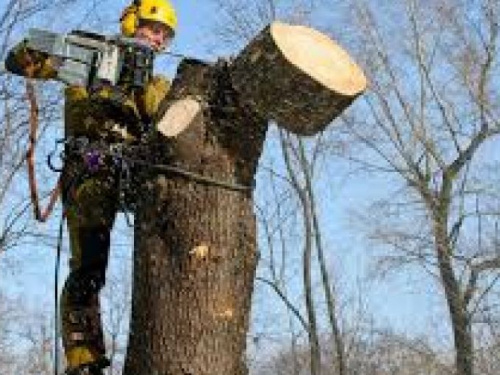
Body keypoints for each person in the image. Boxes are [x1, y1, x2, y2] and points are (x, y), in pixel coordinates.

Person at [4, 1, 177, 374]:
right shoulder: (87, 60)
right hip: (92, 171)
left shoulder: (158, 85)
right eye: (151, 27)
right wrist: (66, 53)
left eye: (163, 34)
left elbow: (171, 122)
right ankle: (85, 359)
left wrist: (140, 85)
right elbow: (18, 61)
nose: (157, 37)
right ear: (132, 22)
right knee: (90, 266)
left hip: (137, 175)